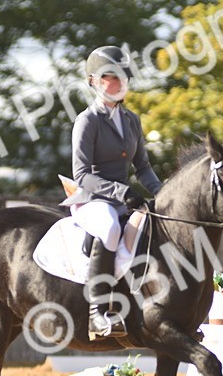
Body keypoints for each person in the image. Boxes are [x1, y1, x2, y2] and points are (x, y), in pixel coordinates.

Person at [63, 46, 163, 339]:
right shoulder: (87, 121)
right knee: (108, 228)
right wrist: (121, 192)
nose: (118, 82)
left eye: (122, 76)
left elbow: (142, 166)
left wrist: (163, 193)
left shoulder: (131, 119)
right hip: (92, 200)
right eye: (110, 76)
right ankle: (97, 313)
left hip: (123, 199)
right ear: (94, 81)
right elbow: (81, 175)